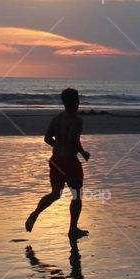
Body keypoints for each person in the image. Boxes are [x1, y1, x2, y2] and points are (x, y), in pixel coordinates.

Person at [26, 88, 90, 239]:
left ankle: (34, 214)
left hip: (55, 161)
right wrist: (83, 152)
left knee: (55, 193)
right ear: (76, 102)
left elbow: (47, 138)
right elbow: (73, 139)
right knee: (77, 195)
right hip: (69, 162)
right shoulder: (77, 120)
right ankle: (72, 229)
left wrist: (59, 147)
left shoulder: (57, 118)